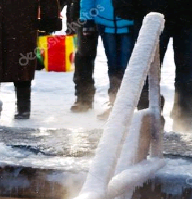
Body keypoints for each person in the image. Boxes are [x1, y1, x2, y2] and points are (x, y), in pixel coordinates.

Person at [114, 0, 192, 131]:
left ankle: (185, 118)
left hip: (186, 17)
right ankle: (147, 119)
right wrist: (125, 7)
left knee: (188, 72)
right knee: (147, 70)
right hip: (150, 14)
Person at [80, 0, 135, 120]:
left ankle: (126, 106)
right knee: (113, 66)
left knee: (127, 67)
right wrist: (87, 20)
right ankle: (114, 104)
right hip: (105, 23)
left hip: (130, 22)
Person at [63, 0, 99, 113]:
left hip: (109, 14)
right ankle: (83, 98)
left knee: (116, 59)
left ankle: (117, 100)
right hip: (81, 18)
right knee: (83, 58)